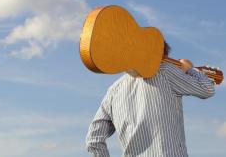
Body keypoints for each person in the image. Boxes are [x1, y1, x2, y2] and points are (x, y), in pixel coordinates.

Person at [85, 41, 215, 157]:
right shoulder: (165, 71)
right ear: (161, 56)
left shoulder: (114, 90)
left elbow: (93, 140)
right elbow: (207, 89)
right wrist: (189, 69)